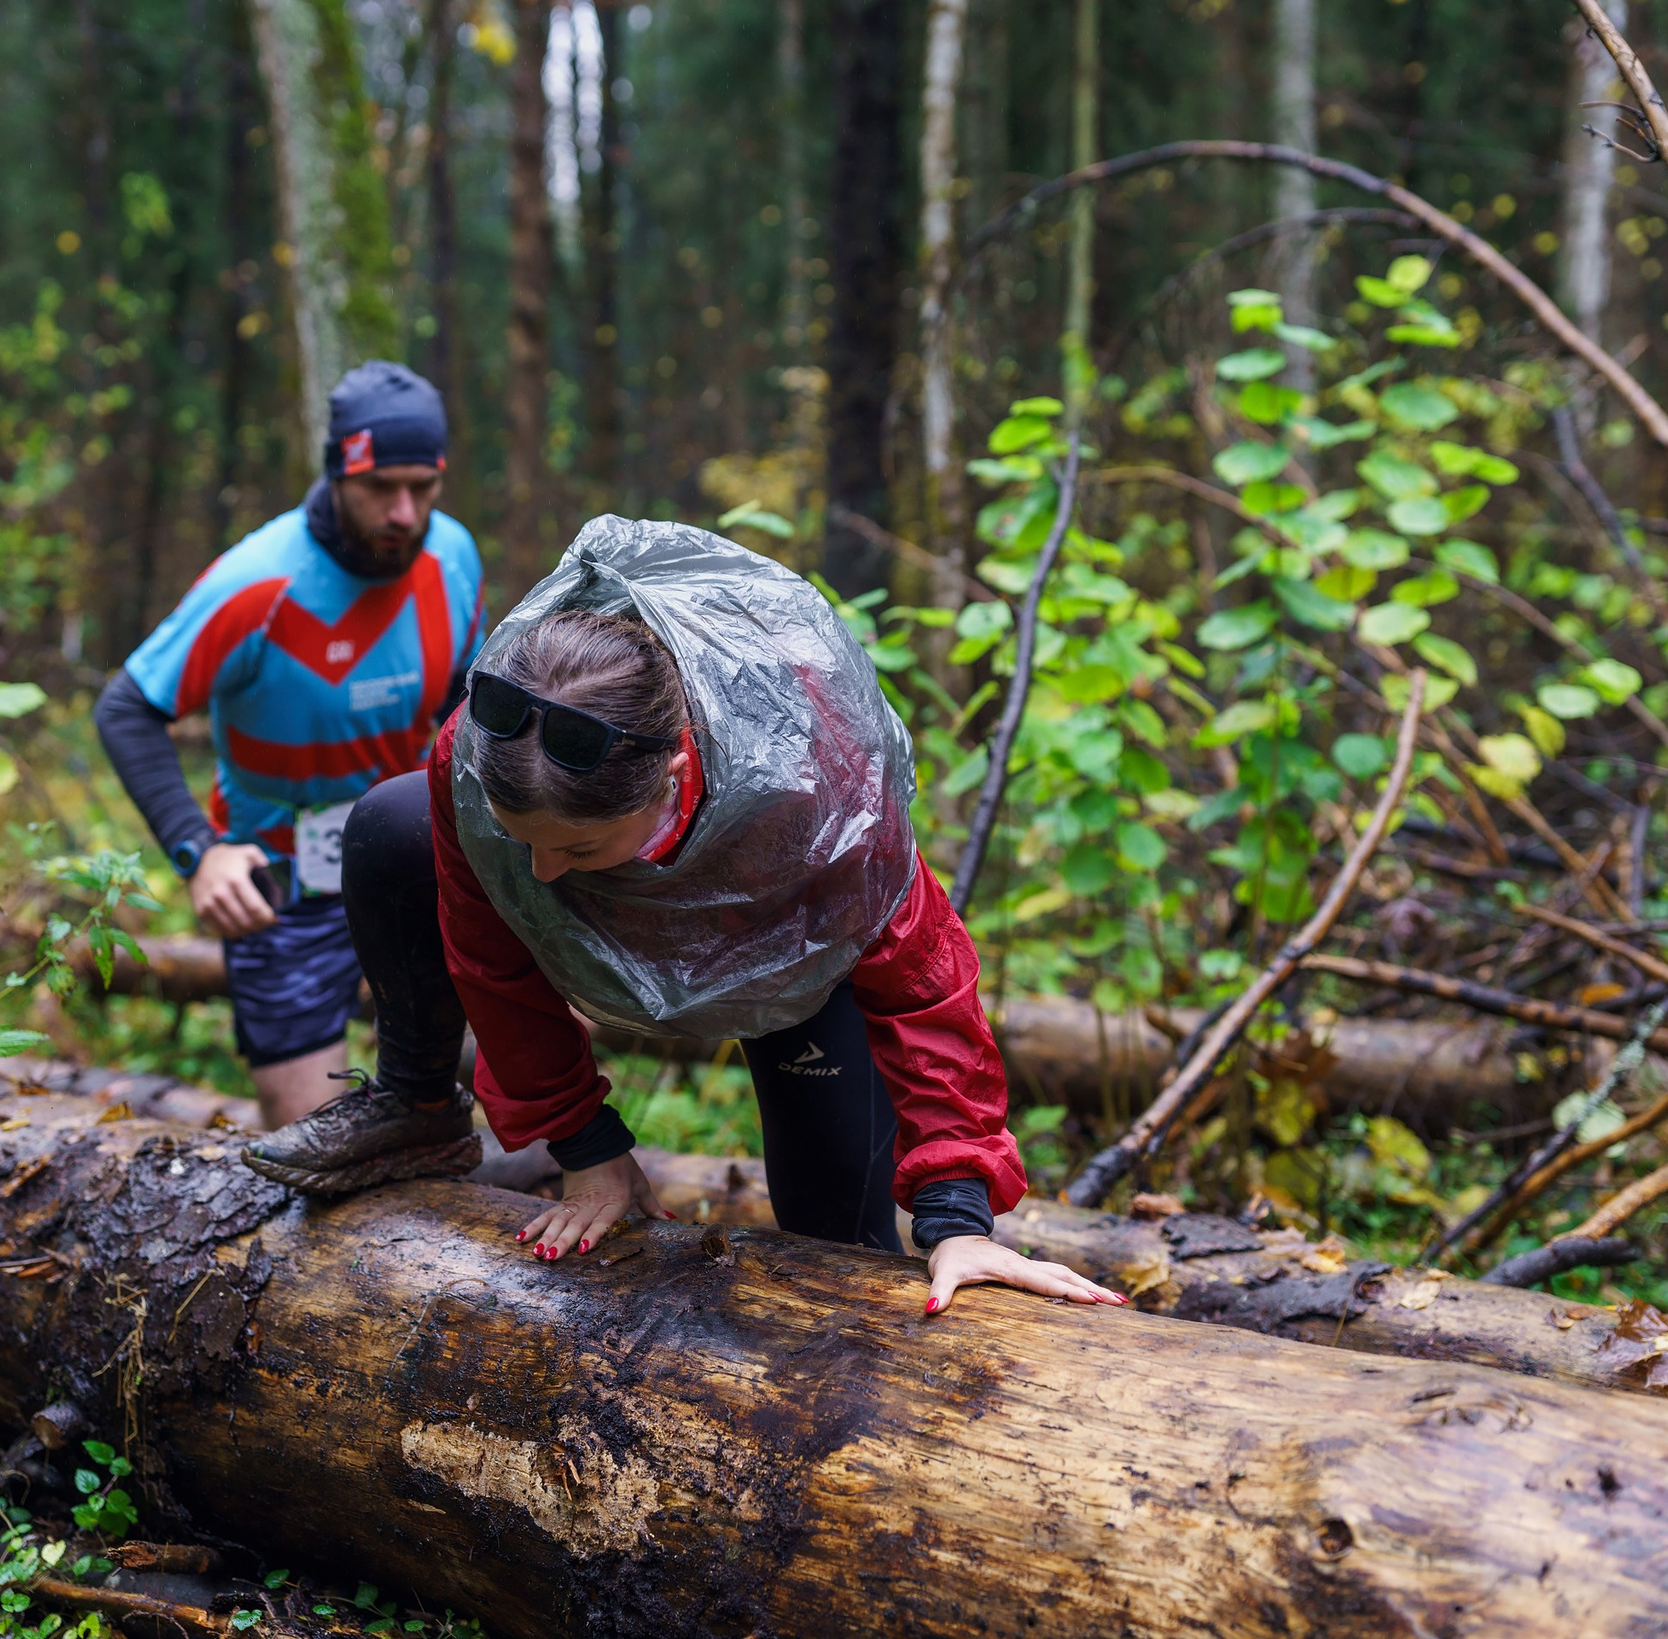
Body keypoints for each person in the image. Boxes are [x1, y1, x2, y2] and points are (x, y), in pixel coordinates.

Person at [246, 516, 1128, 1316]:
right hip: (603, 934)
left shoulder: (810, 785)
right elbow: (490, 955)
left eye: (577, 850)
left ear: (670, 771)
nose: (542, 872)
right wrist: (583, 1143)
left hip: (790, 973)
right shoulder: (477, 758)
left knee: (832, 1243)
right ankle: (415, 1105)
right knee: (393, 824)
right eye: (525, 845)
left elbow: (920, 980)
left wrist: (955, 1211)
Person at [96, 361, 487, 1133]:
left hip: (415, 863)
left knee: (521, 1091)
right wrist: (197, 850)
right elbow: (126, 707)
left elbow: (460, 710)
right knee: (312, 1137)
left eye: (423, 487)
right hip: (285, 886)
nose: (404, 512)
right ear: (338, 470)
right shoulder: (256, 584)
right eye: (381, 488)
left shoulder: (454, 558)